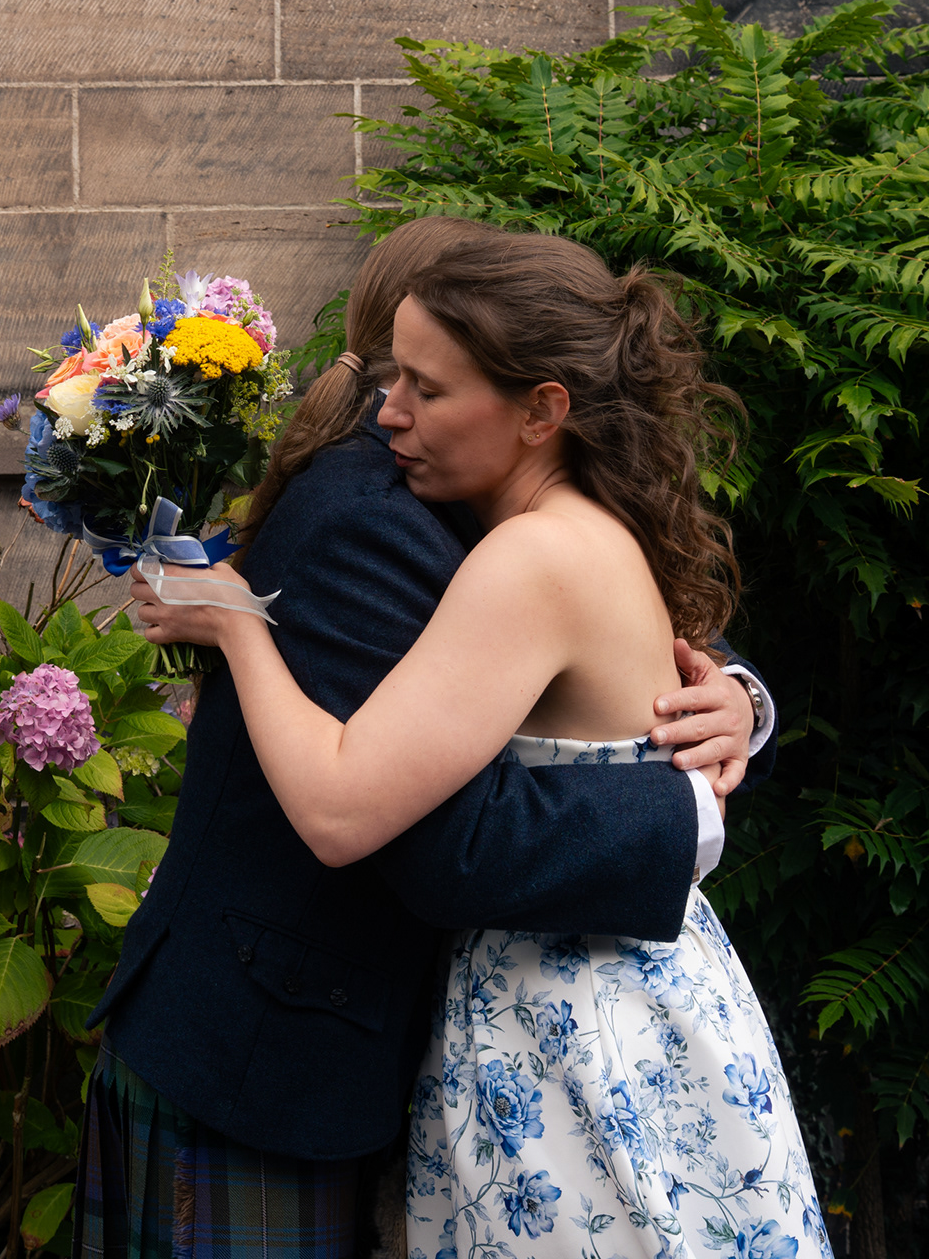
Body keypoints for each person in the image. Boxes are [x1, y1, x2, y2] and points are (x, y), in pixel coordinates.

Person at [75, 216, 777, 1259]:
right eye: (398, 379)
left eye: (429, 385)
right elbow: (438, 836)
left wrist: (739, 700)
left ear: (542, 407)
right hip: (257, 1055)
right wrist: (682, 806)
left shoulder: (509, 513)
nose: (396, 411)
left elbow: (638, 634)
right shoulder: (384, 512)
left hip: (451, 1039)